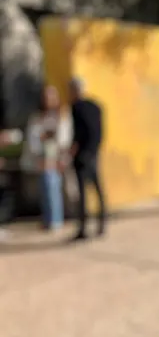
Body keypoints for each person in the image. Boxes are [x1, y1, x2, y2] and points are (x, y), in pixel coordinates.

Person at [69, 78, 106, 240]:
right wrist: (94, 150)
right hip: (94, 154)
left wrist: (73, 152)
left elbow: (78, 135)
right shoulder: (96, 107)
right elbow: (100, 132)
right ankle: (102, 223)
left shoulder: (76, 108)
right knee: (98, 190)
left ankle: (83, 227)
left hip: (82, 156)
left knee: (83, 194)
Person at [37, 86, 67, 231]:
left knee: (53, 189)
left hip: (55, 158)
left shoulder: (60, 115)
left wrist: (61, 159)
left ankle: (56, 221)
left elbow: (61, 138)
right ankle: (48, 219)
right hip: (43, 158)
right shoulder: (41, 116)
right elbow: (37, 136)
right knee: (45, 190)